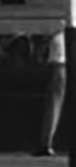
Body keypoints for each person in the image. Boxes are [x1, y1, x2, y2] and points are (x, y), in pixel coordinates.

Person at [36, 24, 65, 157]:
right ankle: (46, 143)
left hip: (60, 66)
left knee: (53, 105)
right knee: (53, 105)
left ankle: (46, 143)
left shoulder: (57, 30)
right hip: (59, 65)